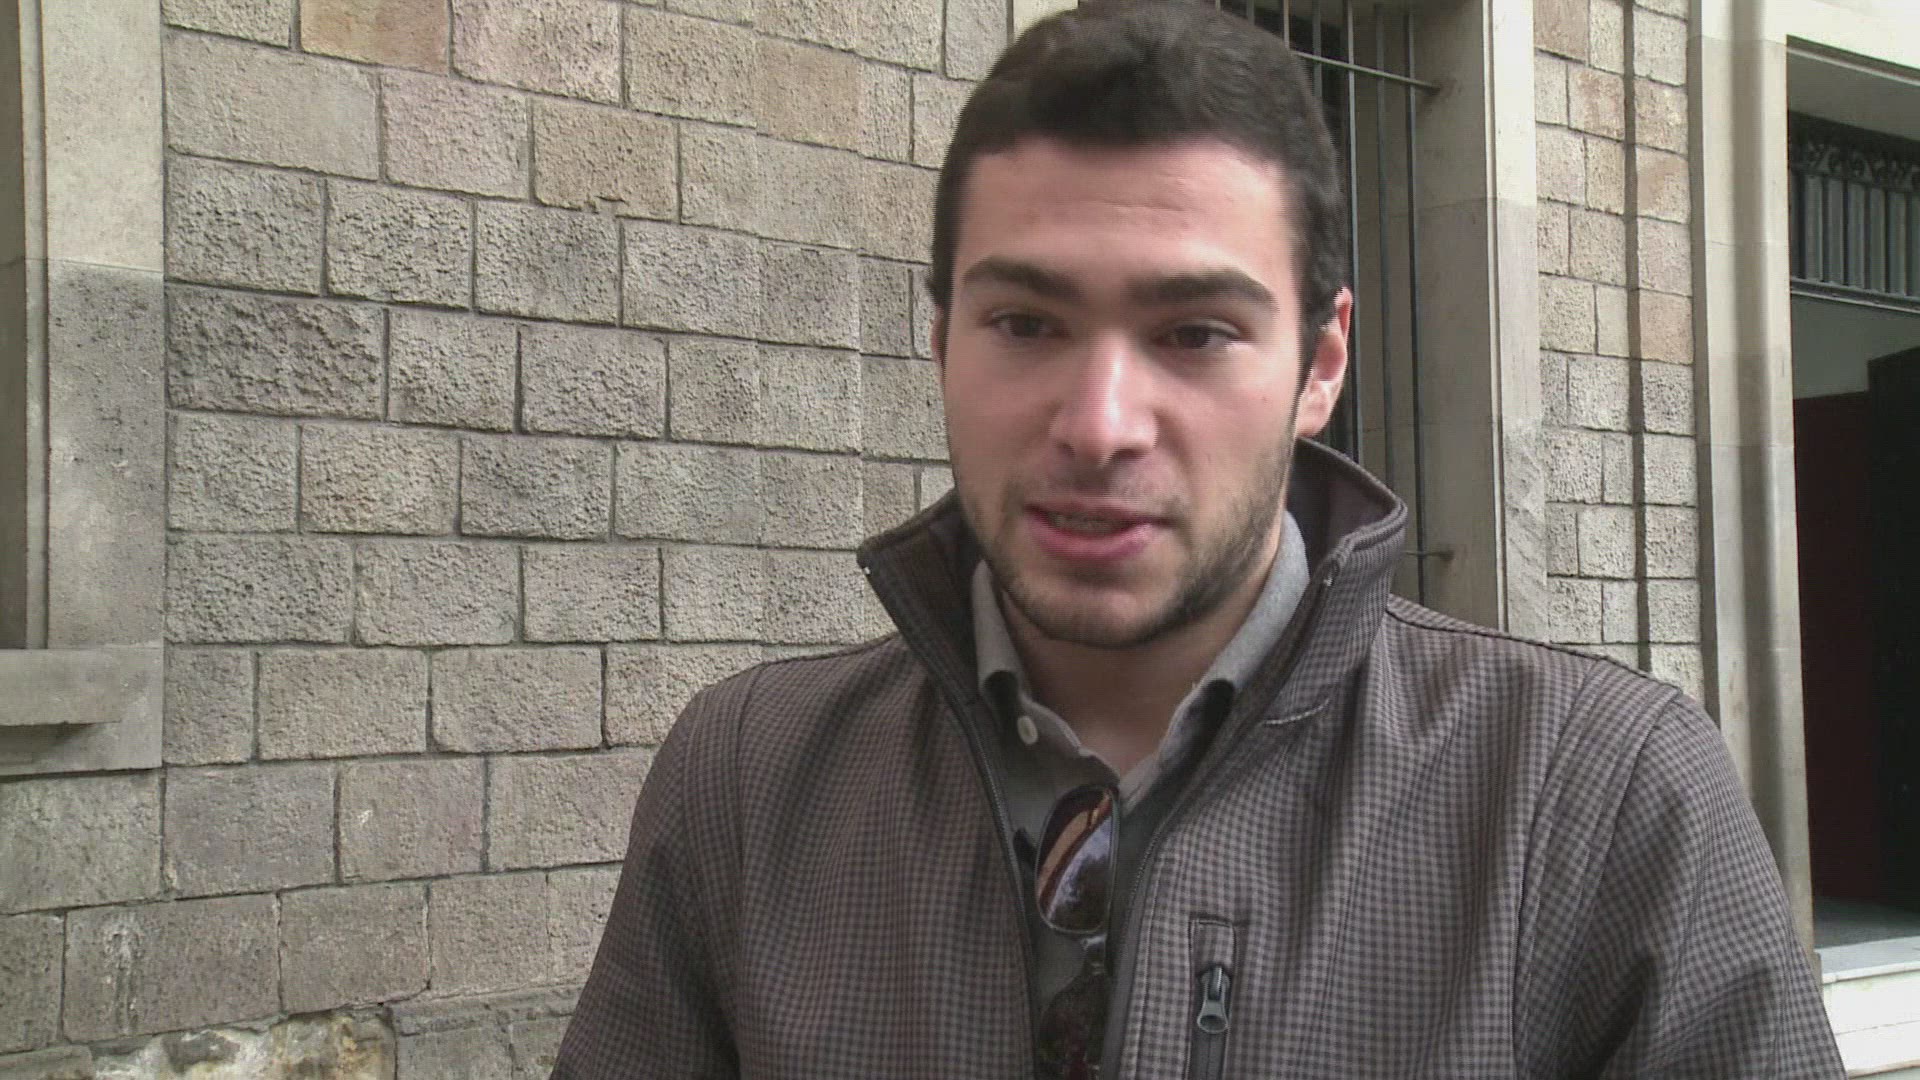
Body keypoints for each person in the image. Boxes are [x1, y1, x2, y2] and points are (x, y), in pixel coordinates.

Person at [552, 2, 1843, 1076]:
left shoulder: (1597, 800)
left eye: (1195, 334)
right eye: (1026, 324)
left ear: (1320, 364)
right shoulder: (749, 781)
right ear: (941, 339)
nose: (1100, 425)